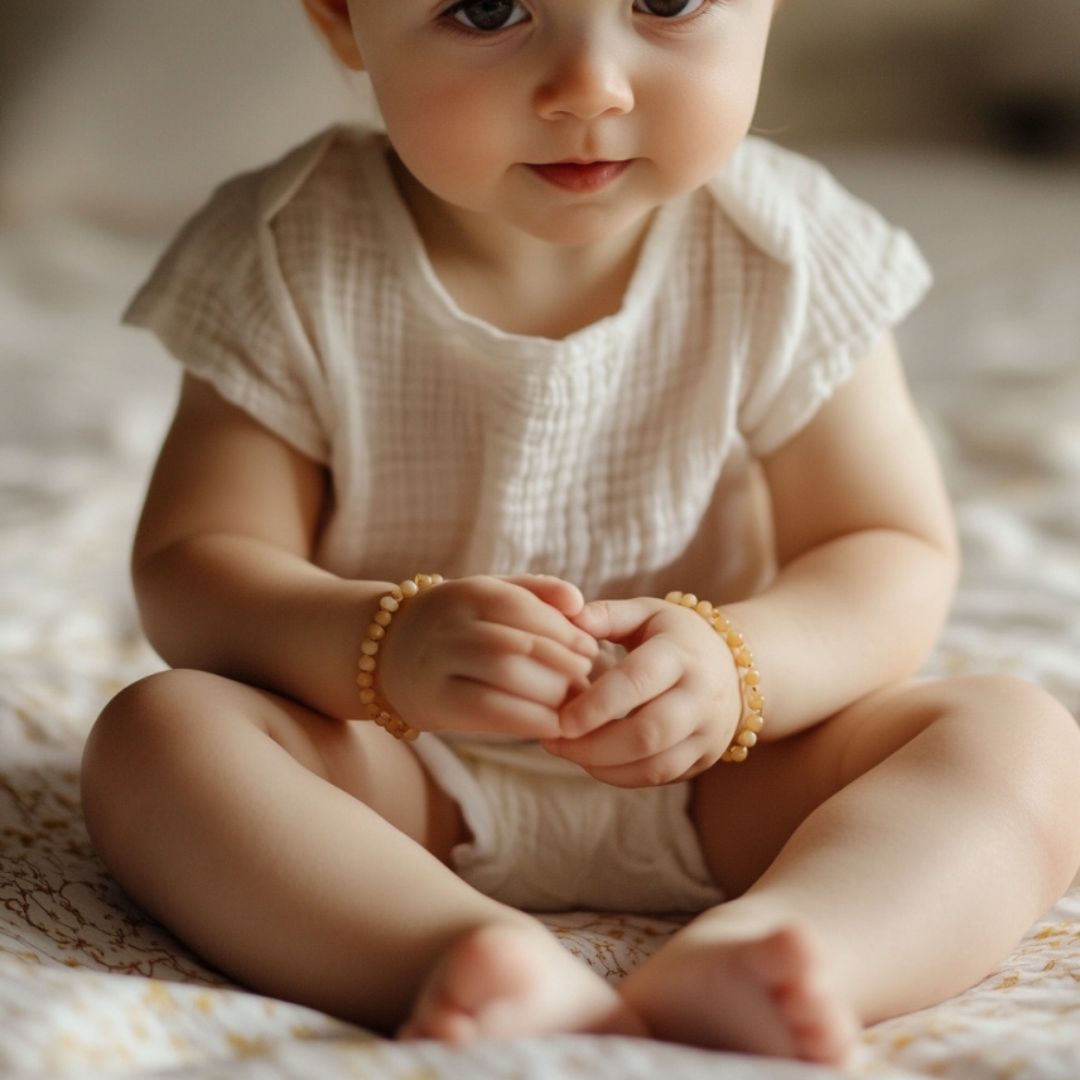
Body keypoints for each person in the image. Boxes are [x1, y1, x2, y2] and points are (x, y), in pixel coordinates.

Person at [80, 0, 1080, 1066]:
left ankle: (792, 947)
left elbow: (887, 549)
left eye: (666, 0)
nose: (592, 85)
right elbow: (197, 568)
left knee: (1018, 737)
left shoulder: (787, 253)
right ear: (341, 19)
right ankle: (451, 951)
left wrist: (742, 667)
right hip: (397, 778)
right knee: (158, 736)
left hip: (733, 773)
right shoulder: (285, 252)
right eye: (489, 9)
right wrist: (381, 642)